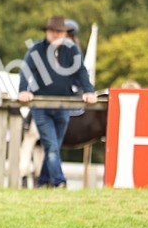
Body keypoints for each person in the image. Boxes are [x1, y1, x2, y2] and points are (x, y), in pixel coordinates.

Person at [17, 15, 96, 188]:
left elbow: (81, 72)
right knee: (51, 145)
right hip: (41, 106)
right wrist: (23, 90)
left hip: (63, 106)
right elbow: (26, 70)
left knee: (54, 146)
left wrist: (88, 91)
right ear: (46, 32)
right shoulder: (36, 49)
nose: (56, 35)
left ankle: (43, 181)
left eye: (59, 32)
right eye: (53, 31)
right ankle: (59, 182)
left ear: (65, 34)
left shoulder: (72, 50)